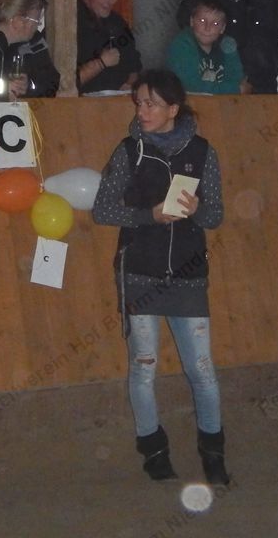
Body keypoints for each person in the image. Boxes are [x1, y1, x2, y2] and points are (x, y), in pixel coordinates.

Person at [91, 69, 229, 485]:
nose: (142, 110)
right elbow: (102, 210)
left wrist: (197, 209)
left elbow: (216, 216)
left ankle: (213, 452)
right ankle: (152, 448)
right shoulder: (128, 151)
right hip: (140, 272)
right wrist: (148, 216)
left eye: (151, 103)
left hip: (189, 275)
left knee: (202, 370)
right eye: (139, 102)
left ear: (173, 108)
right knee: (144, 367)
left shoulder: (203, 152)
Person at [76, 0, 142, 94]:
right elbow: (63, 84)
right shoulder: (69, 25)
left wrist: (130, 84)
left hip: (116, 100)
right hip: (79, 102)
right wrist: (101, 63)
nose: (110, 1)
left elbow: (134, 65)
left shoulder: (118, 23)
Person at [165, 0, 244, 94]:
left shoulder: (227, 44)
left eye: (215, 24)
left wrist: (235, 89)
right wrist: (235, 90)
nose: (207, 28)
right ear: (192, 21)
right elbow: (190, 86)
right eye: (202, 21)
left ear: (223, 28)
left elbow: (236, 79)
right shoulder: (182, 45)